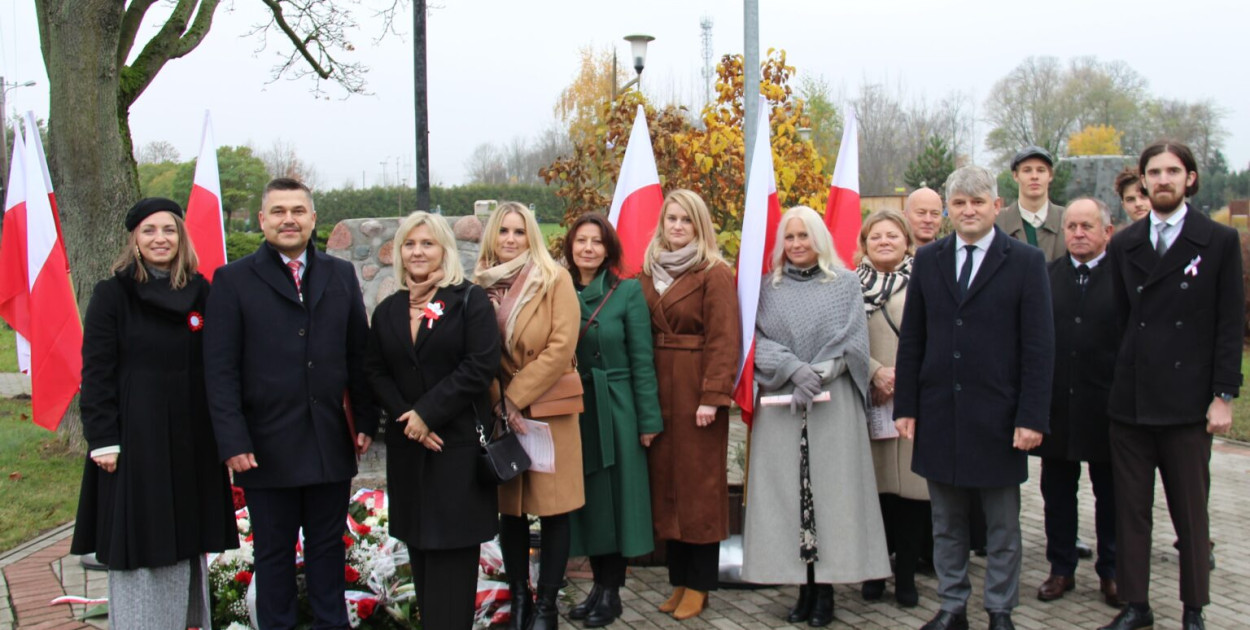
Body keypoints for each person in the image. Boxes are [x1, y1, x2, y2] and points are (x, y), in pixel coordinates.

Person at [206, 178, 378, 629]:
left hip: (328, 444)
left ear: (312, 219)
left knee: (326, 554)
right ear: (263, 220)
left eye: (298, 211)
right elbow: (220, 370)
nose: (289, 219)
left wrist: (364, 419)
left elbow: (358, 355)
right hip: (264, 447)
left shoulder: (340, 275)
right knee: (274, 556)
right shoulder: (232, 280)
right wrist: (232, 438)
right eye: (279, 211)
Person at [894, 165, 1054, 630]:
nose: (968, 210)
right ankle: (952, 606)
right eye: (959, 203)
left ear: (996, 206)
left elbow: (1040, 347)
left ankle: (1000, 610)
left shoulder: (1025, 262)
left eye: (978, 202)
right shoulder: (930, 260)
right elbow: (914, 340)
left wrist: (1032, 417)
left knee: (1002, 527)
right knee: (946, 523)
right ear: (949, 208)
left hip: (1000, 419)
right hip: (941, 415)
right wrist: (907, 405)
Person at [71, 198, 237, 629]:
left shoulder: (203, 292)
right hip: (135, 440)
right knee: (143, 540)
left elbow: (223, 364)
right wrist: (102, 438)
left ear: (181, 237)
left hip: (193, 439)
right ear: (135, 241)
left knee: (188, 539)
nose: (160, 238)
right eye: (149, 231)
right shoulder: (113, 295)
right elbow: (97, 372)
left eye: (169, 230)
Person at [1098, 142, 1243, 630]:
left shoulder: (1218, 241)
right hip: (1132, 405)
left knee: (1190, 515)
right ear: (1143, 181)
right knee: (1131, 512)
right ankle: (1136, 606)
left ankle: (1194, 608)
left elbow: (1229, 326)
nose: (1162, 180)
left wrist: (1223, 396)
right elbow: (1119, 322)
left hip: (1186, 405)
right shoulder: (1124, 243)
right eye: (1153, 172)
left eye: (1172, 171)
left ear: (1191, 179)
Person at [741, 206, 891, 627]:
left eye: (804, 236)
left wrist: (821, 373)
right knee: (790, 495)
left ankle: (825, 590)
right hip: (781, 401)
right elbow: (756, 340)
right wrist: (793, 369)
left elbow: (854, 343)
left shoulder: (843, 284)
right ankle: (801, 587)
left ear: (819, 239)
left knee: (829, 495)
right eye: (789, 238)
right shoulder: (766, 288)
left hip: (832, 401)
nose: (797, 244)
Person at [365, 211, 500, 629]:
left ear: (444, 249)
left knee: (451, 567)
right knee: (422, 560)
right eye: (410, 243)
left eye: (427, 243)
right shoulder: (387, 309)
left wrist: (428, 413)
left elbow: (479, 366)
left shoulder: (468, 300)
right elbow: (375, 370)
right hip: (410, 454)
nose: (418, 251)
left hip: (454, 451)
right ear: (400, 252)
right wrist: (410, 420)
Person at [474, 201, 584, 630]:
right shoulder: (477, 285)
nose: (511, 240)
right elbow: (476, 352)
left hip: (550, 408)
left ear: (531, 236)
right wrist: (500, 399)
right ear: (492, 236)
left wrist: (515, 396)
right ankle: (520, 598)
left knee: (555, 510)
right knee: (513, 511)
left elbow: (561, 346)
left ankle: (547, 607)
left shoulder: (554, 278)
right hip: (501, 409)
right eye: (503, 232)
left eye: (519, 232)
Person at [639, 189, 740, 621]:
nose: (677, 227)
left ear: (699, 226)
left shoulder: (713, 272)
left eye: (686, 220)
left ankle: (700, 584)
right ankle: (678, 580)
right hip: (658, 388)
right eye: (671, 219)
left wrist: (712, 397)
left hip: (696, 390)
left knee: (699, 491)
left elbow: (724, 338)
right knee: (666, 489)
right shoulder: (647, 273)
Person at [562, 213, 663, 628]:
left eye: (596, 242)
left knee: (618, 501)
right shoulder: (556, 289)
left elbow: (642, 359)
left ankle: (611, 593)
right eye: (581, 240)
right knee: (589, 504)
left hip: (617, 406)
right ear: (569, 246)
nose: (588, 248)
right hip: (574, 408)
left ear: (608, 250)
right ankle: (597, 589)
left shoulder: (627, 293)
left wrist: (648, 419)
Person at [1030, 199, 1120, 607]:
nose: (1078, 233)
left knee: (1113, 495)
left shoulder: (1125, 278)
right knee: (1058, 494)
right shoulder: (1046, 277)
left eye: (1087, 226)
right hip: (1059, 408)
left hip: (1109, 409)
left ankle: (1114, 572)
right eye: (1071, 226)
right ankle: (1061, 568)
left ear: (1107, 231)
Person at [855, 209, 930, 609]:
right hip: (867, 399)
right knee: (876, 492)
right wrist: (874, 373)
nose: (884, 241)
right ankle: (874, 570)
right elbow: (842, 338)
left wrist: (903, 377)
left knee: (912, 494)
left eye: (892, 235)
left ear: (906, 241)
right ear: (864, 243)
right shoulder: (849, 285)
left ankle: (906, 577)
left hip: (913, 401)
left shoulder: (926, 280)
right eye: (876, 236)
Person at [997, 145, 1067, 261]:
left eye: (1041, 170)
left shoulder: (1067, 220)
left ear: (1050, 175)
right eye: (1027, 170)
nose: (1034, 177)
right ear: (1015, 175)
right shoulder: (997, 222)